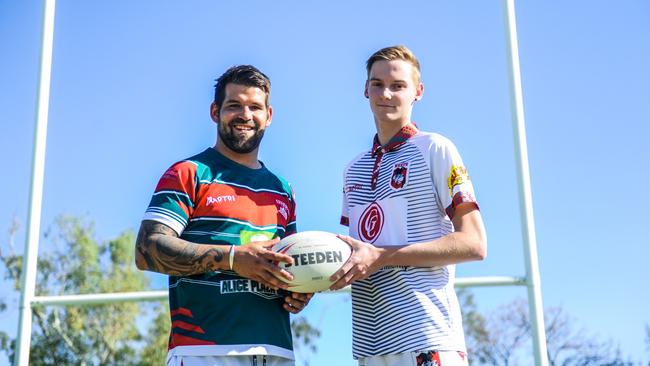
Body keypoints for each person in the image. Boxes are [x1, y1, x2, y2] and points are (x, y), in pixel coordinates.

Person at [135, 65, 312, 366]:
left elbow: (291, 263)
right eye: (234, 106)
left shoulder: (283, 189)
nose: (245, 115)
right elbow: (146, 250)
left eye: (255, 107)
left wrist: (301, 289)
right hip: (203, 352)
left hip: (277, 352)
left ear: (269, 116)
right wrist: (233, 258)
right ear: (215, 111)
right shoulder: (189, 173)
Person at [331, 45, 488, 366]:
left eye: (398, 86)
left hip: (427, 337)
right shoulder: (353, 169)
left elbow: (474, 243)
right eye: (377, 84)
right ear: (365, 89)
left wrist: (382, 257)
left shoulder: (435, 148)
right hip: (369, 345)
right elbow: (359, 258)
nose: (386, 93)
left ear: (418, 92)